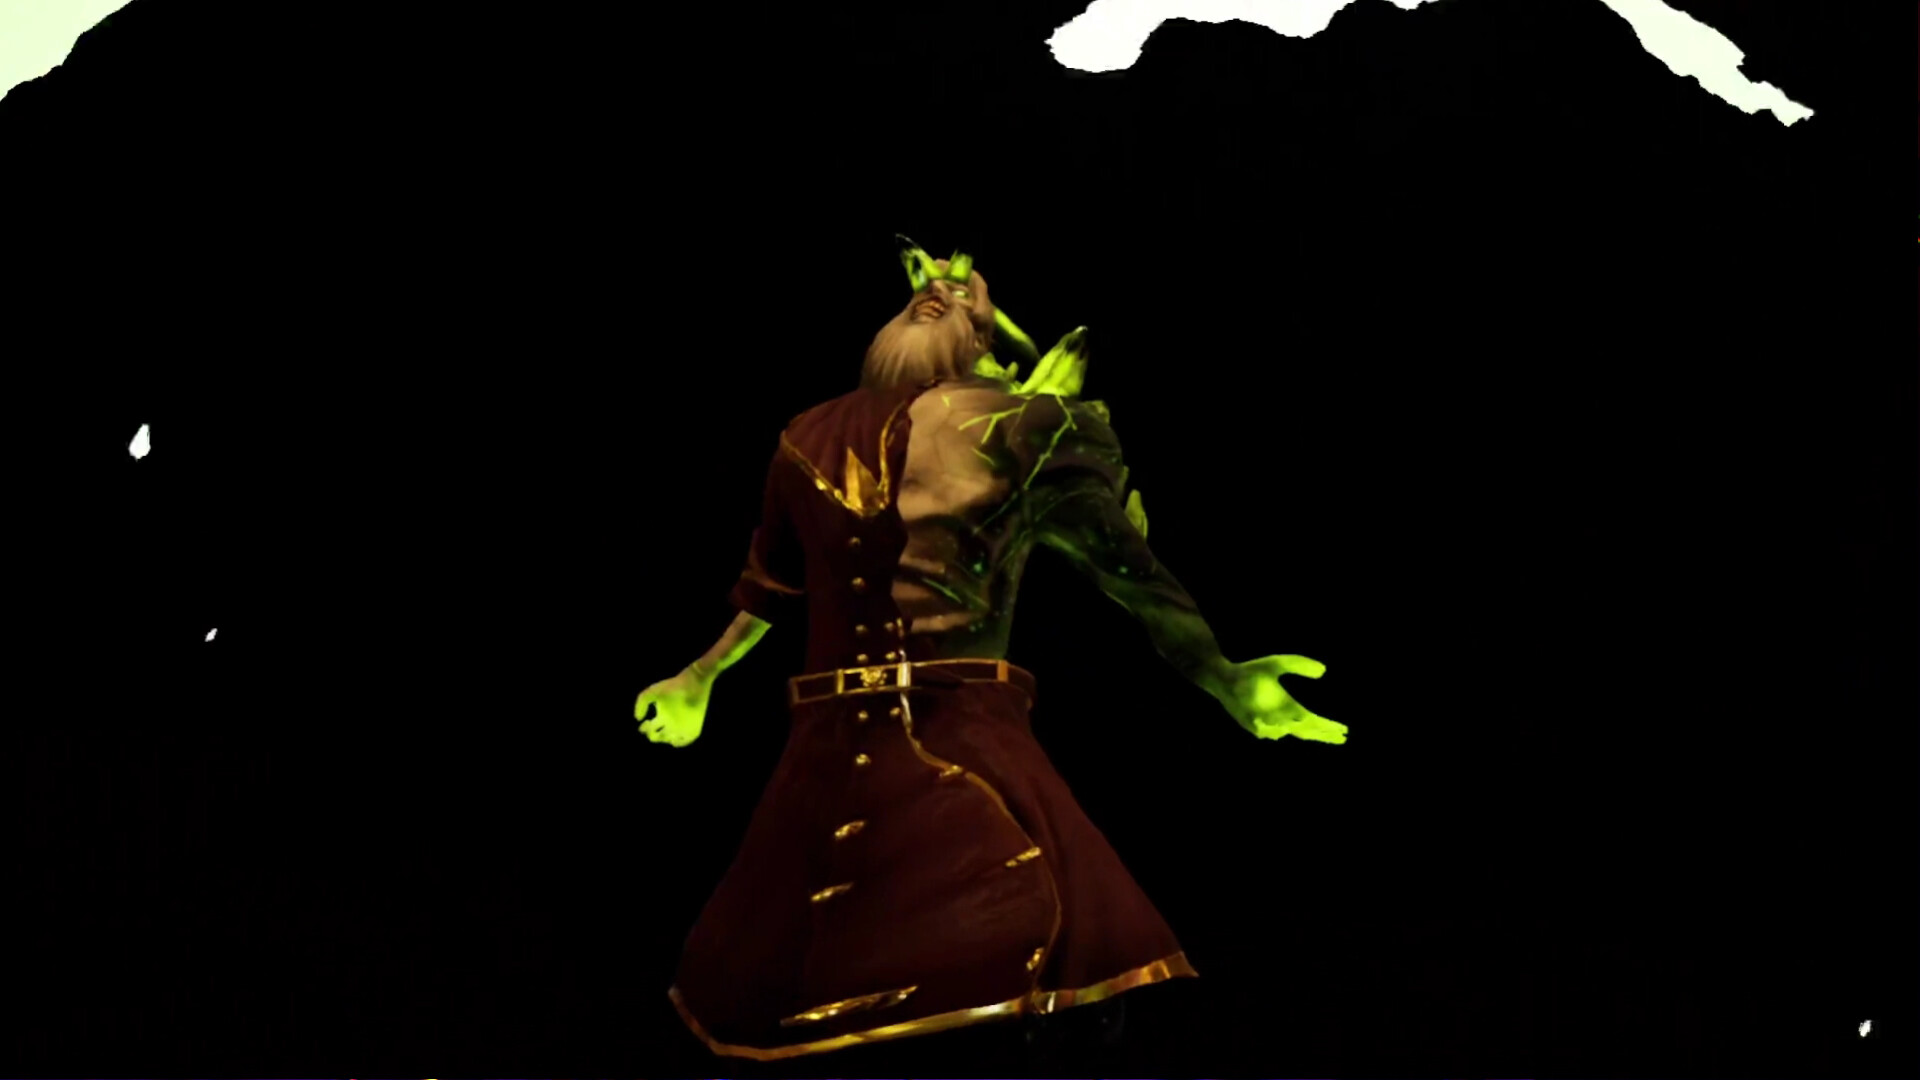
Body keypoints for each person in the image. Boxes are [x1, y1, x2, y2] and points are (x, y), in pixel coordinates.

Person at [636, 237, 1346, 1069]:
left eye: (965, 291)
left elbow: (1131, 573)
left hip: (966, 741)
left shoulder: (1032, 429)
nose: (938, 288)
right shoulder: (808, 435)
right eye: (923, 284)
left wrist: (1223, 675)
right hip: (824, 763)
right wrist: (699, 676)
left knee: (1013, 966)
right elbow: (773, 584)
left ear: (990, 337)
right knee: (787, 995)